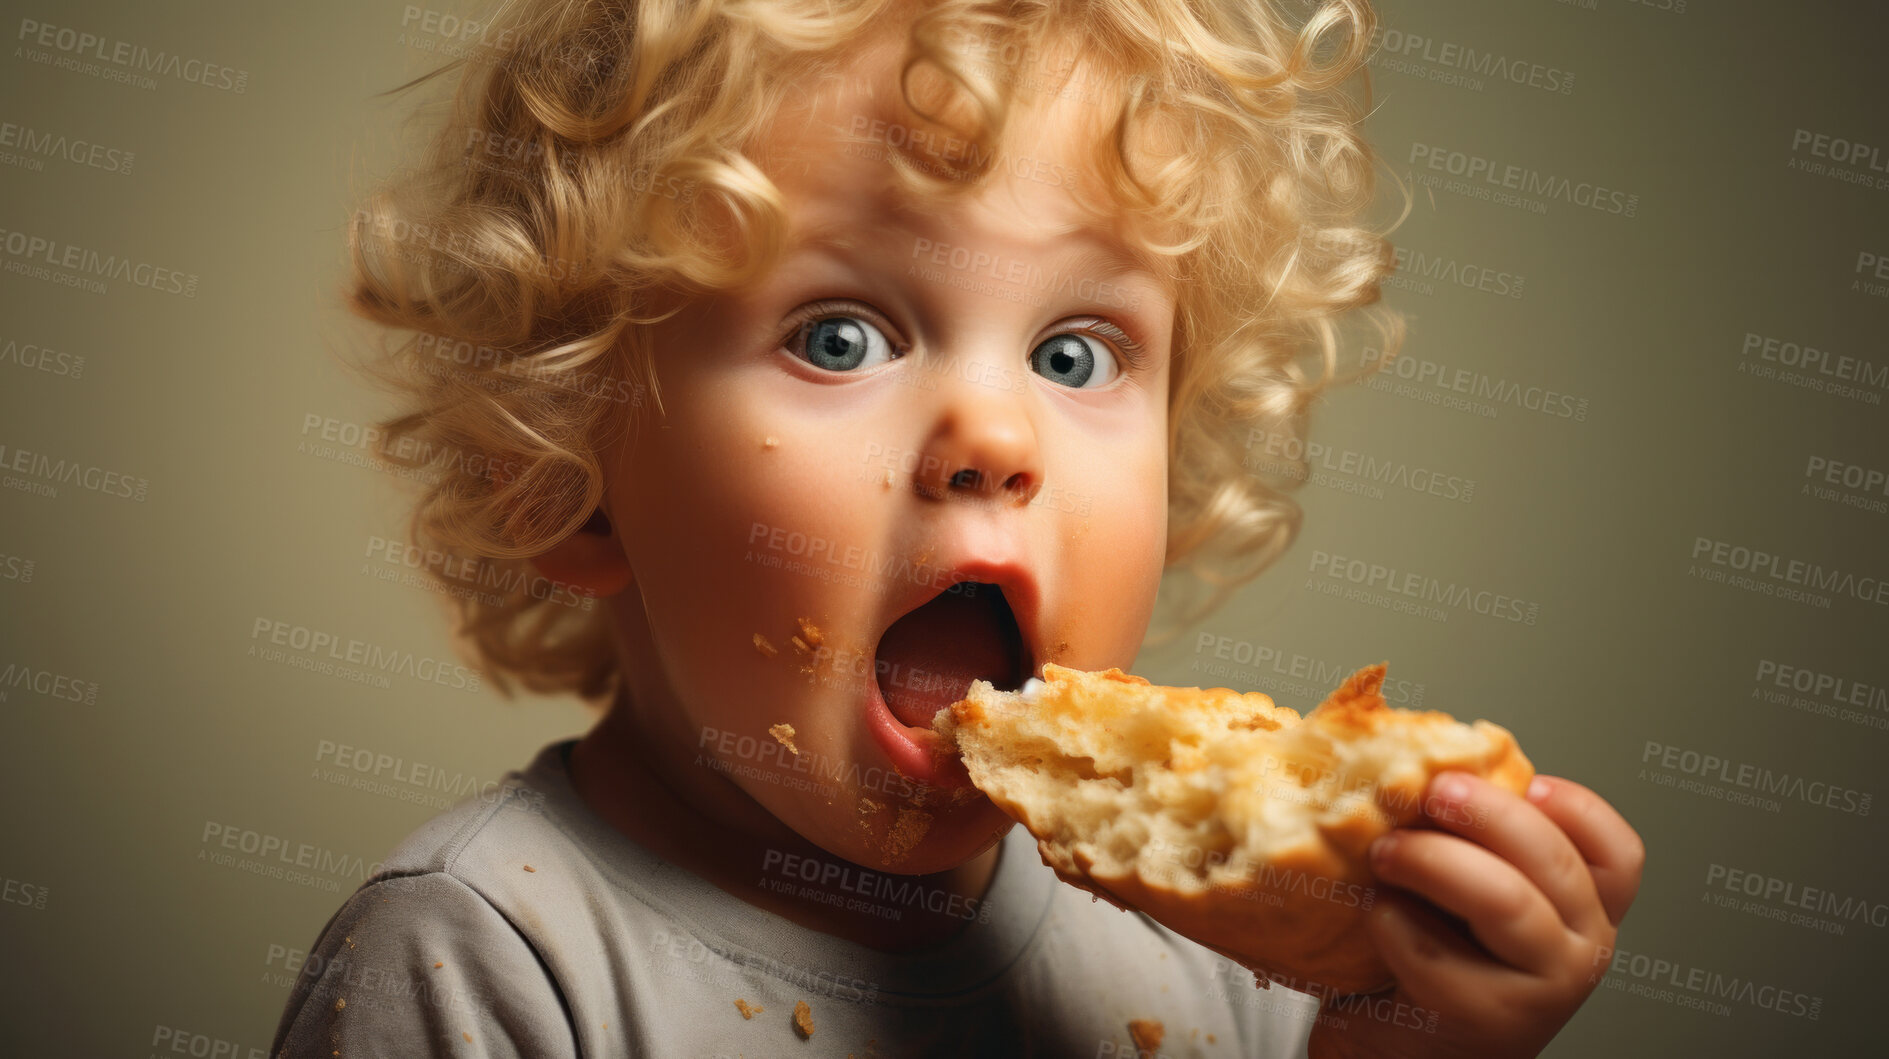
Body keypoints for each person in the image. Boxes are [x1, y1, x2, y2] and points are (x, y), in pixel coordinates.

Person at [274, 0, 1644, 1054]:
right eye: (839, 334)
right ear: (569, 471)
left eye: (1073, 355)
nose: (994, 437)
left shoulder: (1239, 967)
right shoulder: (487, 957)